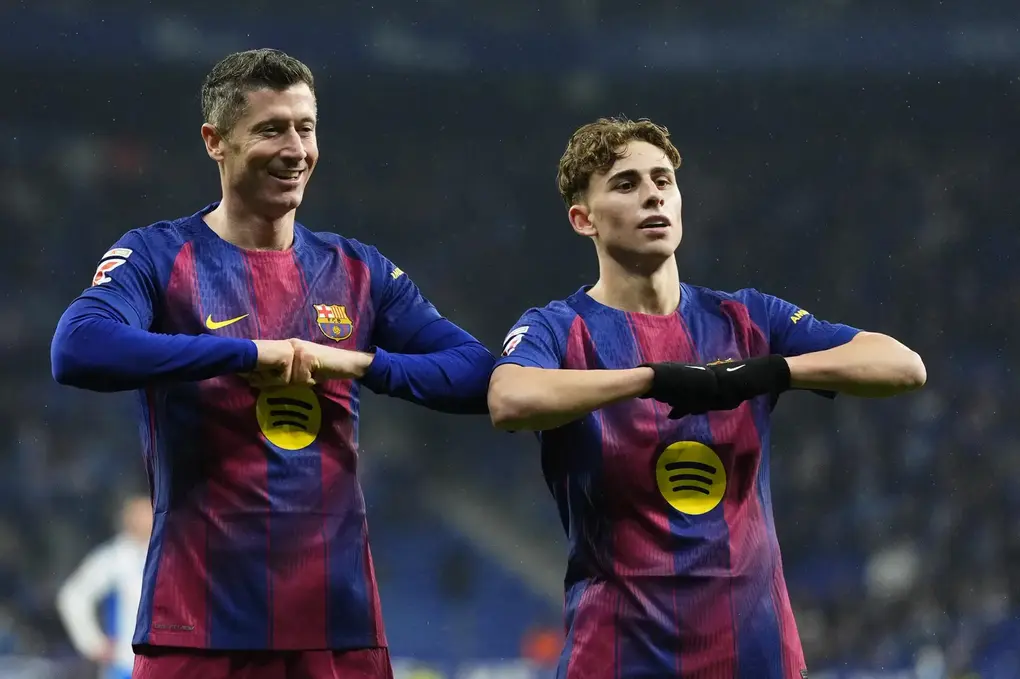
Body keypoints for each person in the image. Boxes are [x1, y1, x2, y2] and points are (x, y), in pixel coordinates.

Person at [51, 48, 494, 679]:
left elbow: (479, 374)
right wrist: (247, 354)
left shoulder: (357, 269)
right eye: (270, 129)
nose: (295, 148)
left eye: (305, 128)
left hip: (337, 628)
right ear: (215, 142)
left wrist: (358, 365)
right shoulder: (157, 255)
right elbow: (77, 347)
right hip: (196, 626)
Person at [486, 117, 926, 679]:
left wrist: (766, 372)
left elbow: (902, 365)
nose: (652, 195)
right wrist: (654, 378)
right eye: (625, 184)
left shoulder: (746, 318)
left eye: (663, 180)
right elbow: (510, 399)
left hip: (755, 652)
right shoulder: (558, 328)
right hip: (619, 653)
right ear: (583, 219)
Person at [57, 495, 152, 679]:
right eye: (140, 512)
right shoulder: (113, 559)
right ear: (128, 517)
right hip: (125, 666)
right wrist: (93, 642)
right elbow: (73, 596)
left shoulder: (172, 553)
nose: (146, 517)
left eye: (149, 510)